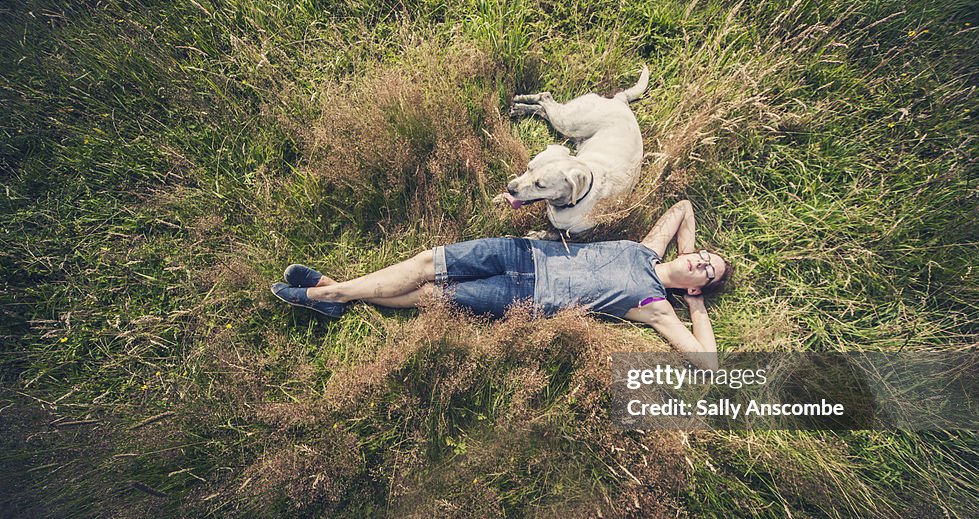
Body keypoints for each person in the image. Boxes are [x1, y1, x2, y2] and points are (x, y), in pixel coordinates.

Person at [272, 200, 732, 368]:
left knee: (430, 296)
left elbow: (706, 363)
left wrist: (695, 305)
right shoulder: (647, 249)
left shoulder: (657, 307)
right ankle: (335, 294)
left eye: (707, 273)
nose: (702, 264)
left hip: (526, 298)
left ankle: (326, 294)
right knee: (427, 261)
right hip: (524, 252)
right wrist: (688, 252)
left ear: (695, 287)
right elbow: (683, 208)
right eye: (705, 258)